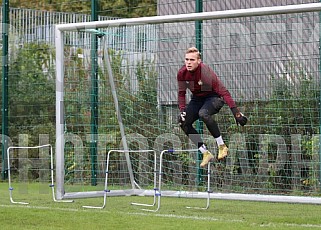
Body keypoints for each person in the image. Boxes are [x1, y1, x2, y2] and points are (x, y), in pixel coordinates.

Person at [177, 47, 247, 167]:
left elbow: (224, 92)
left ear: (199, 61)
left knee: (203, 114)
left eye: (192, 60)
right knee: (183, 122)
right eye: (187, 59)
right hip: (197, 99)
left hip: (213, 98)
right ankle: (205, 152)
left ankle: (222, 146)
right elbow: (181, 93)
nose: (188, 62)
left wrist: (236, 113)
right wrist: (182, 110)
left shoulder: (205, 72)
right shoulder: (182, 73)